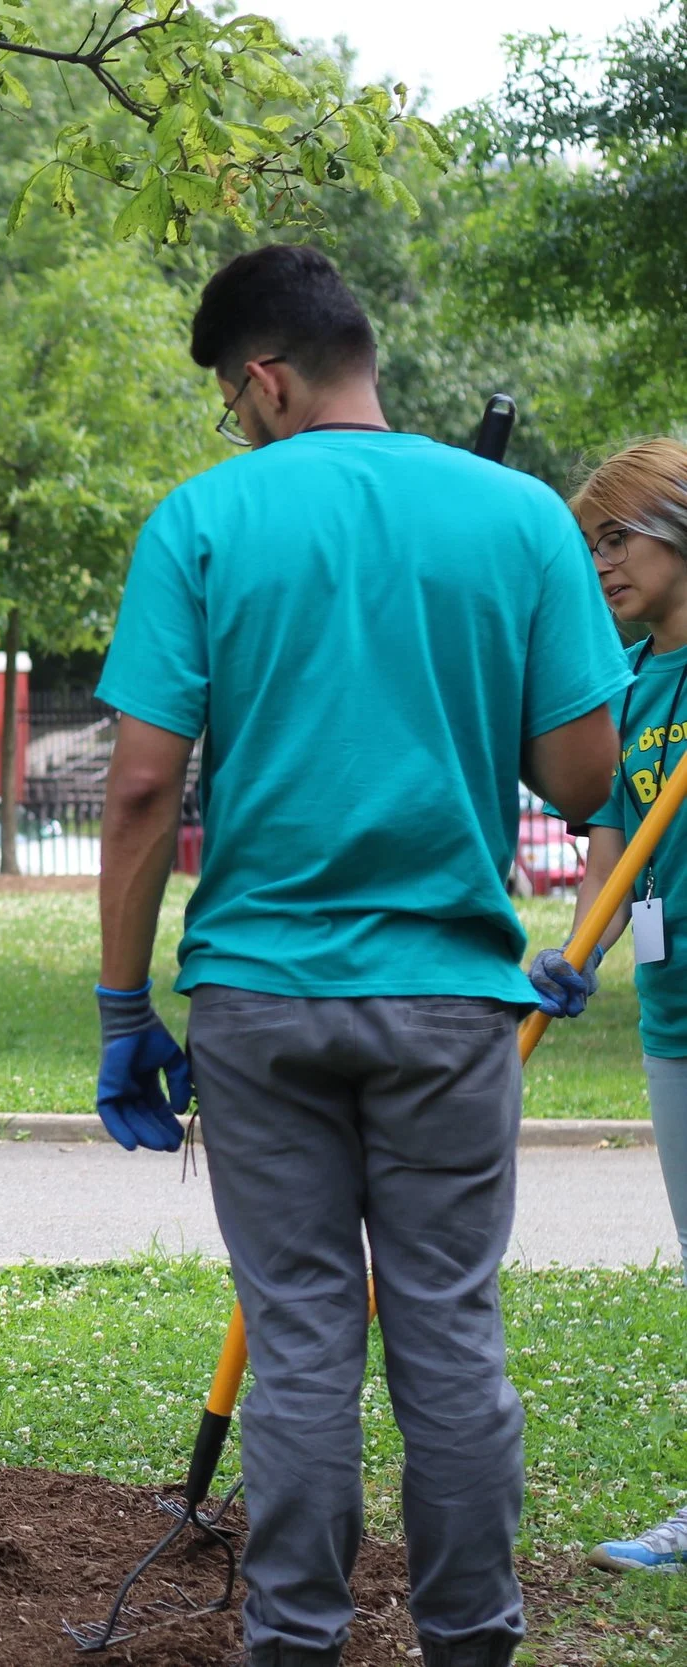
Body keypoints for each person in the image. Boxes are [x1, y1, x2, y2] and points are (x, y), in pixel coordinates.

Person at [93, 245, 623, 1667]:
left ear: (264, 379)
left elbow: (139, 787)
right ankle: (471, 1638)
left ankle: (296, 1640)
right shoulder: (521, 518)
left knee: (303, 1337)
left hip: (260, 998)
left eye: (230, 399)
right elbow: (583, 776)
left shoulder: (200, 520)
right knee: (448, 1331)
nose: (234, 423)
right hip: (450, 996)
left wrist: (119, 1005)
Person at [525, 437, 687, 1573]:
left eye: (617, 537)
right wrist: (575, 949)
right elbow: (610, 856)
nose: (599, 565)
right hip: (673, 1018)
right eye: (589, 545)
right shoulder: (627, 688)